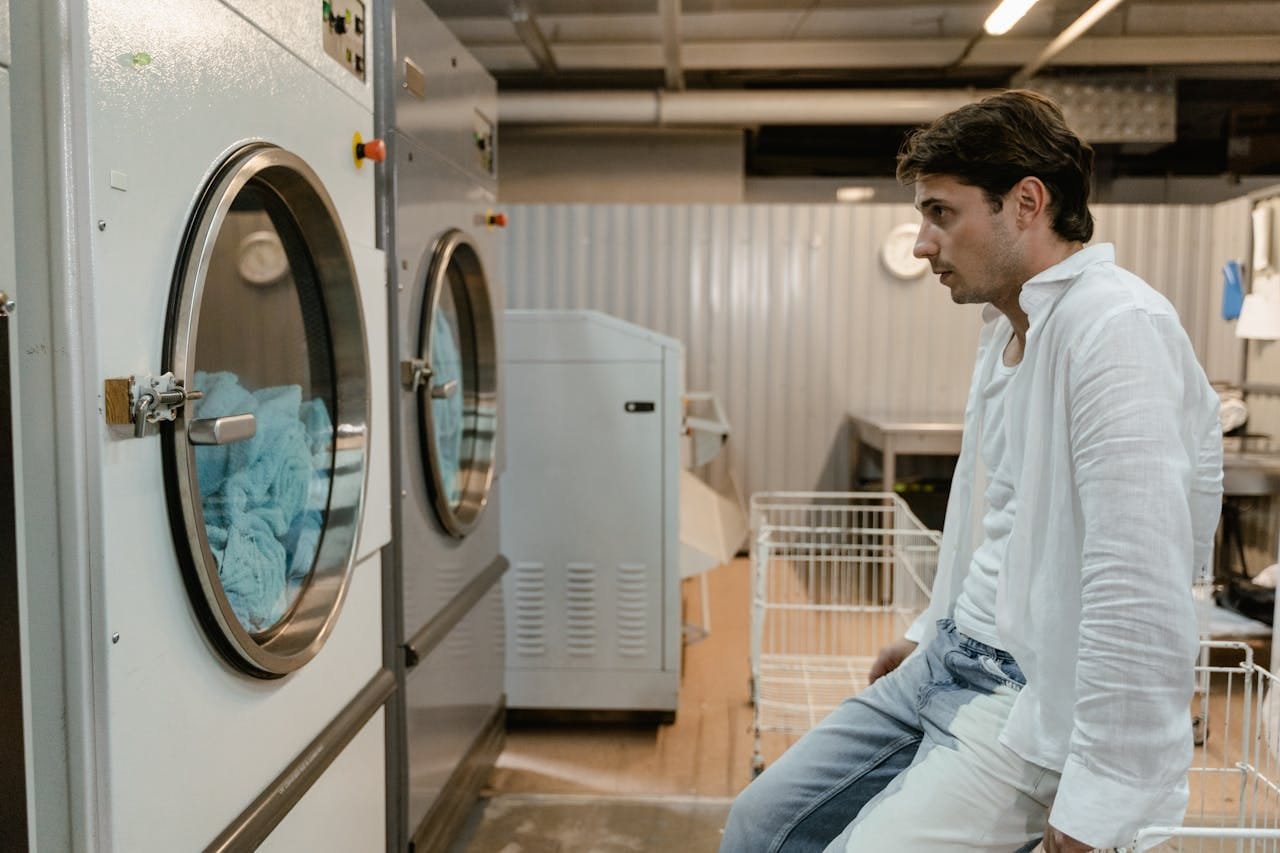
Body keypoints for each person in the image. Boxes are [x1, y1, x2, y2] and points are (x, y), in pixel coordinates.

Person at [720, 89, 1224, 853]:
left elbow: (1140, 582)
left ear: (1026, 202)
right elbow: (997, 518)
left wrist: (1102, 791)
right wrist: (931, 627)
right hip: (951, 658)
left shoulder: (1114, 330)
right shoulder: (1008, 329)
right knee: (762, 825)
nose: (923, 243)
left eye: (941, 213)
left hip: (1026, 698)